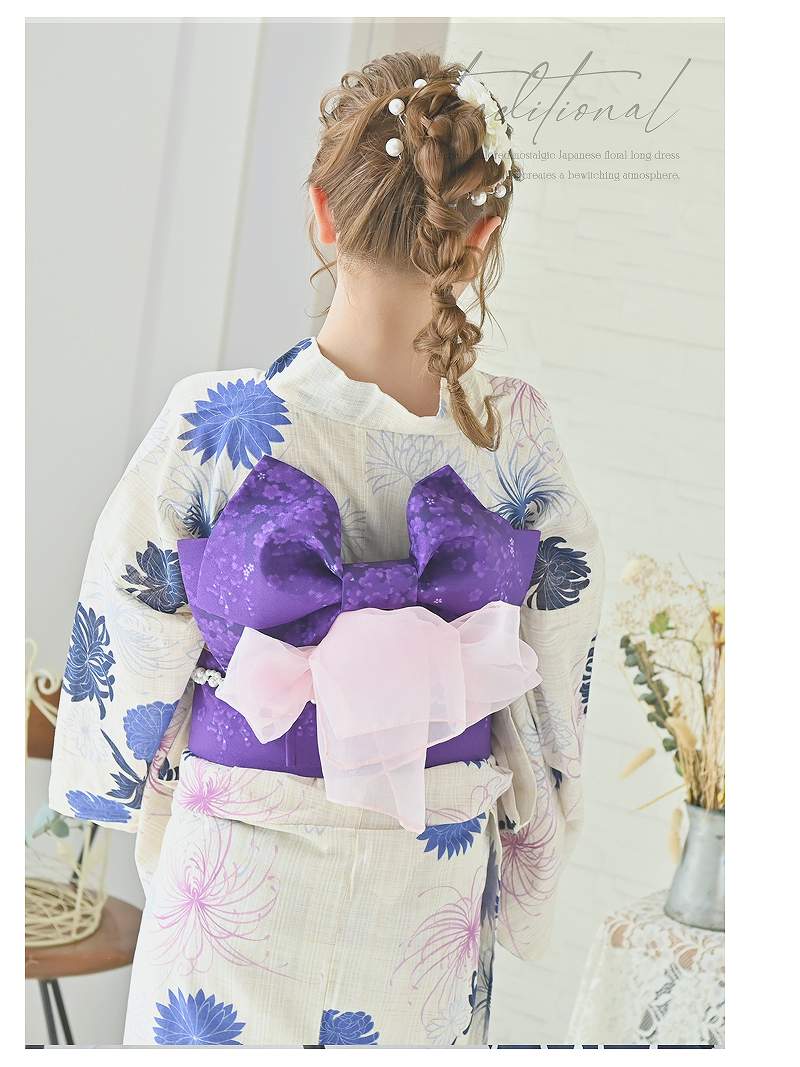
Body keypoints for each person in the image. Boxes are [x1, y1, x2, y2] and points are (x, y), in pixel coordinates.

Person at [48, 51, 605, 1047]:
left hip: (238, 860)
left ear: (320, 214)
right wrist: (538, 835)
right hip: (427, 862)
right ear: (478, 240)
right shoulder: (514, 435)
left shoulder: (216, 422)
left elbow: (125, 632)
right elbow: (558, 654)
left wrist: (115, 780)